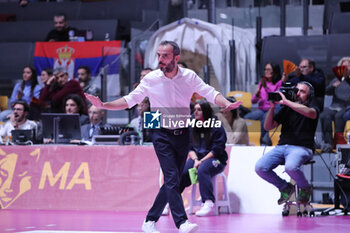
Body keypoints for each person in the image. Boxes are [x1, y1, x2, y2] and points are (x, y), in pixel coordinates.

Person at [85, 40, 241, 233]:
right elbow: (130, 100)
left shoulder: (188, 76)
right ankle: (182, 222)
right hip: (161, 133)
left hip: (183, 134)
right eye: (158, 55)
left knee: (173, 180)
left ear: (176, 57)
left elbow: (209, 92)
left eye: (165, 56)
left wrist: (226, 102)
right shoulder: (151, 79)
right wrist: (104, 105)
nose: (160, 59)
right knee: (171, 177)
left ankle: (150, 220)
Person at [255, 81, 319, 205]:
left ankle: (305, 188)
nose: (298, 93)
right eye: (297, 90)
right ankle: (285, 187)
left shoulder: (313, 107)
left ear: (309, 96)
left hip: (302, 148)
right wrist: (272, 107)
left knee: (290, 167)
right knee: (260, 167)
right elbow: (268, 127)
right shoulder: (287, 109)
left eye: (303, 91)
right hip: (282, 147)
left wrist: (287, 102)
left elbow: (310, 113)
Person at [178, 100, 228, 217]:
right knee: (183, 172)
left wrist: (201, 161)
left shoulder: (216, 126)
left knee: (203, 170)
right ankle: (171, 200)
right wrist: (195, 160)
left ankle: (208, 202)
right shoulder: (191, 126)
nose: (195, 112)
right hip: (197, 158)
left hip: (216, 159)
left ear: (206, 111)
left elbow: (217, 150)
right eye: (194, 110)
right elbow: (189, 147)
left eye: (199, 110)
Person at [244, 62, 282, 145]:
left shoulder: (279, 83)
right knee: (246, 117)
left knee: (265, 119)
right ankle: (245, 141)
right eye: (265, 69)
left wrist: (266, 88)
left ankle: (263, 142)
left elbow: (276, 97)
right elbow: (253, 101)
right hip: (261, 109)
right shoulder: (262, 82)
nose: (266, 71)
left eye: (268, 69)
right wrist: (257, 94)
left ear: (274, 71)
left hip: (273, 109)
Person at [319, 57, 350, 152]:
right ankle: (328, 143)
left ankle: (338, 141)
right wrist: (333, 86)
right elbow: (326, 92)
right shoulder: (336, 79)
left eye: (348, 65)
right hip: (335, 106)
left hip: (347, 106)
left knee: (338, 116)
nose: (346, 67)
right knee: (325, 115)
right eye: (344, 65)